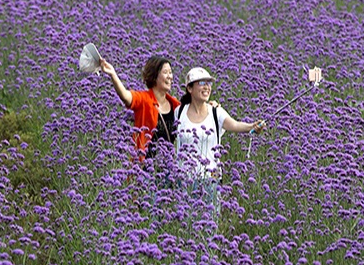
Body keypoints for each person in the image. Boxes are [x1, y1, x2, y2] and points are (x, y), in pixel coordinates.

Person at [175, 67, 265, 216]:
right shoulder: (179, 112)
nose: (207, 87)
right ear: (189, 88)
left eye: (209, 83)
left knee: (208, 229)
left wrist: (253, 126)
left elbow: (235, 125)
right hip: (184, 181)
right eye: (202, 83)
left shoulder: (216, 112)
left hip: (210, 181)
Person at [100, 54, 179, 162]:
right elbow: (126, 96)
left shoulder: (176, 105)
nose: (170, 76)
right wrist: (113, 74)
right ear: (154, 76)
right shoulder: (144, 99)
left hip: (170, 169)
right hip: (145, 168)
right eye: (165, 72)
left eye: (170, 72)